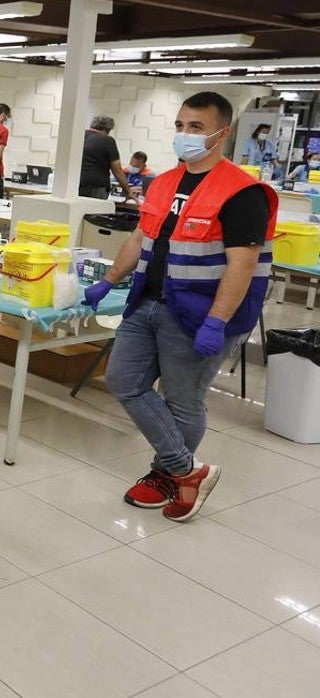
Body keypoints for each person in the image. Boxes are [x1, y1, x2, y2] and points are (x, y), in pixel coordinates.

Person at [84, 91, 276, 523]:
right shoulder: (164, 182)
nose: (184, 135)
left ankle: (166, 475)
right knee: (122, 380)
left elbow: (242, 264)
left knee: (183, 401)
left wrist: (217, 321)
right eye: (179, 126)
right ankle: (189, 471)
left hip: (198, 314)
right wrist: (109, 280)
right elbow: (139, 237)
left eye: (195, 127)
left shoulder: (243, 193)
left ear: (220, 134)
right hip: (147, 302)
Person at [79, 115, 135, 202]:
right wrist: (128, 192)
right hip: (96, 186)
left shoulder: (78, 136)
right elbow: (117, 170)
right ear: (108, 129)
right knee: (92, 213)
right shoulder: (107, 140)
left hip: (74, 184)